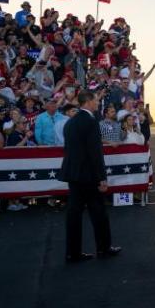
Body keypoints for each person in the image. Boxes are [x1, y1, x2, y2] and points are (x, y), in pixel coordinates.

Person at [59, 91, 120, 263]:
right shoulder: (91, 122)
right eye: (96, 100)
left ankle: (73, 253)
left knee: (74, 215)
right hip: (89, 177)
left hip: (74, 175)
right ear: (87, 102)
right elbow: (95, 152)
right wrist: (102, 177)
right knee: (99, 213)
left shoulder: (70, 123)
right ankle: (104, 248)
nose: (97, 103)